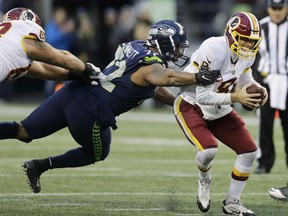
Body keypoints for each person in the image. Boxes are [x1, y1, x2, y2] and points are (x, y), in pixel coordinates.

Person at [0, 20, 220, 193]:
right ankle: (41, 165)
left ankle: (34, 162)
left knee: (24, 130)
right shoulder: (152, 66)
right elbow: (167, 77)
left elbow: (153, 86)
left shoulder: (136, 46)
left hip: (74, 91)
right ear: (165, 42)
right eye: (178, 47)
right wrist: (197, 77)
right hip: (91, 111)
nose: (180, 53)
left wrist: (177, 103)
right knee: (97, 153)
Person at [173, 12, 267, 215]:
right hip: (192, 103)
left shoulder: (246, 56)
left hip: (219, 107)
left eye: (252, 42)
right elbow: (204, 96)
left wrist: (259, 89)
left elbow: (245, 81)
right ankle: (204, 179)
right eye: (244, 41)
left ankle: (232, 202)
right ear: (231, 35)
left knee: (249, 151)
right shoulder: (213, 48)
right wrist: (236, 98)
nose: (248, 47)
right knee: (208, 150)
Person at [0, 7, 100, 87]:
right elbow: (62, 58)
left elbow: (44, 69)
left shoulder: (9, 45)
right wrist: (88, 69)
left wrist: (78, 76)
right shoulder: (23, 33)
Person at [254, 0, 288, 174]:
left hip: (287, 81)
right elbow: (253, 55)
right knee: (264, 124)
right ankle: (264, 162)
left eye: (280, 8)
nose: (276, 12)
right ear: (268, 8)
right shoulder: (260, 27)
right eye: (273, 8)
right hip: (266, 81)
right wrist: (256, 79)